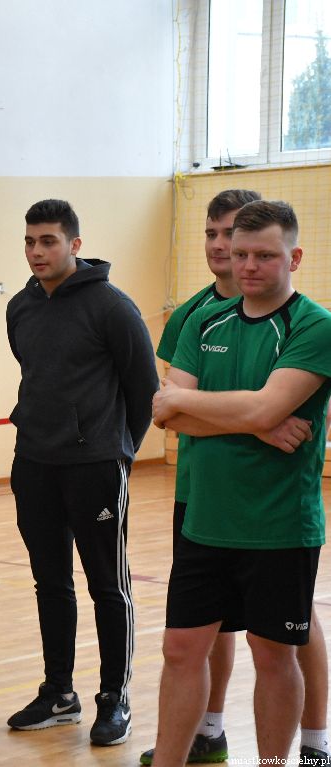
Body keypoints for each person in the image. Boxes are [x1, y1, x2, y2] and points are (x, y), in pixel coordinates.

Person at [150, 200, 331, 766]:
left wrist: (224, 408)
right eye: (241, 253)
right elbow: (167, 416)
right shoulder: (202, 320)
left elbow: (249, 407)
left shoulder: (315, 326)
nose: (248, 265)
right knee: (181, 650)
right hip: (204, 521)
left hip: (279, 527)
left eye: (265, 255)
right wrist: (255, 422)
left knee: (274, 656)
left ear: (293, 258)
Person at [5, 199, 158, 747]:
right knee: (50, 582)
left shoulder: (112, 306)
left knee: (107, 586)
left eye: (48, 241)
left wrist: (118, 452)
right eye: (30, 241)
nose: (37, 251)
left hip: (95, 468)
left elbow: (144, 390)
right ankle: (58, 693)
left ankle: (115, 698)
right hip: (34, 464)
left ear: (74, 244)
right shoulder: (20, 307)